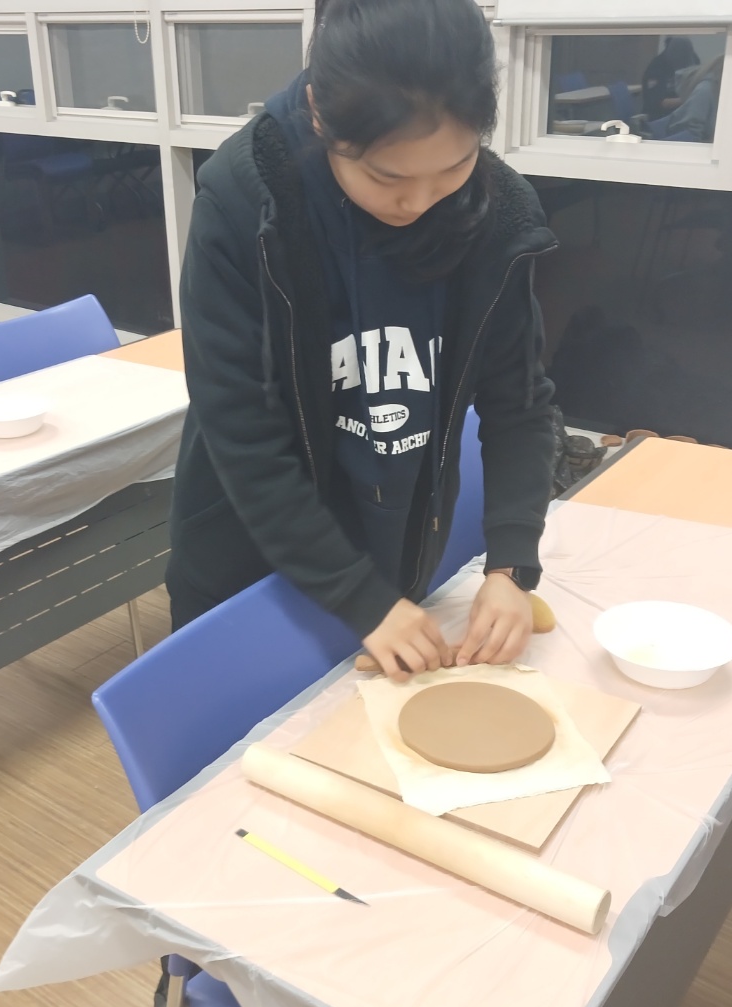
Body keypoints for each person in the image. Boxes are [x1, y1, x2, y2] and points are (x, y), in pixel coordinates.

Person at [169, 0, 559, 685]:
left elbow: (519, 403)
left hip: (393, 561)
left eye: (455, 166)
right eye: (387, 176)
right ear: (320, 114)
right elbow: (243, 435)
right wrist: (357, 597)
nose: (422, 200)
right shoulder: (246, 201)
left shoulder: (494, 214)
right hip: (253, 564)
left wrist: (510, 565)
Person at [640, 36, 700, 121]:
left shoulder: (691, 59)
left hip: (685, 114)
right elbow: (658, 102)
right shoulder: (656, 67)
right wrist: (689, 99)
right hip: (659, 117)